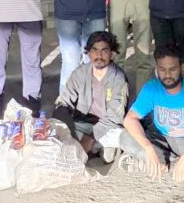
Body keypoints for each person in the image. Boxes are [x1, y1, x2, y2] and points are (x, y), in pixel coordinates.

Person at [118, 43, 184, 185]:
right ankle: (168, 164)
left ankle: (159, 164)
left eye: (173, 69)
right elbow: (130, 119)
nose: (167, 75)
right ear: (156, 69)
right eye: (162, 69)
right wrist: (148, 148)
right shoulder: (151, 88)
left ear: (182, 68)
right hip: (161, 139)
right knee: (125, 136)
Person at [53, 31, 129, 163]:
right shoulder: (79, 73)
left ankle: (96, 148)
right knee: (57, 131)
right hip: (82, 124)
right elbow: (64, 102)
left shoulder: (118, 77)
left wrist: (90, 139)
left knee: (111, 151)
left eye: (104, 50)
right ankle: (92, 148)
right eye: (94, 50)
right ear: (88, 53)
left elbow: (115, 116)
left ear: (112, 54)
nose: (99, 55)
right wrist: (69, 133)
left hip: (107, 126)